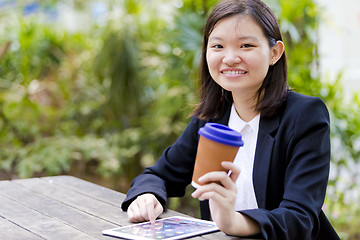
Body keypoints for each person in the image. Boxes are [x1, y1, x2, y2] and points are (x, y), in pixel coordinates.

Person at [121, 0, 339, 239]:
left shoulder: (304, 115)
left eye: (246, 45)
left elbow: (300, 218)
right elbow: (158, 175)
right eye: (218, 46)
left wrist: (233, 221)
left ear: (274, 53)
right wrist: (147, 196)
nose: (230, 58)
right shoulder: (212, 118)